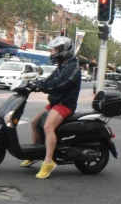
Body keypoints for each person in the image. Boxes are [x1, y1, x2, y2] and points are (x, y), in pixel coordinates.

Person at [21, 36, 81, 179]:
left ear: (64, 50)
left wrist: (45, 86)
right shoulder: (62, 65)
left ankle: (48, 161)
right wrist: (36, 83)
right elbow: (51, 79)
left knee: (48, 127)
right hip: (56, 102)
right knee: (34, 123)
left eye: (56, 49)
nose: (53, 52)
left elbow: (62, 82)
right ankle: (35, 153)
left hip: (65, 104)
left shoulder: (73, 67)